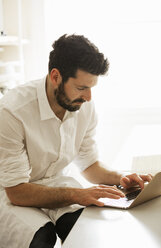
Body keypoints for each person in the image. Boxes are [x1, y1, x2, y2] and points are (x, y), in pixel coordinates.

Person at [0, 34, 152, 248]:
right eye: (81, 88)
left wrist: (123, 177)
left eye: (91, 88)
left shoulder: (83, 106)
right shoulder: (12, 111)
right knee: (41, 238)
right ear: (56, 77)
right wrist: (77, 194)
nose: (88, 97)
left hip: (55, 182)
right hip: (10, 192)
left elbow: (89, 165)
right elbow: (16, 191)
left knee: (84, 229)